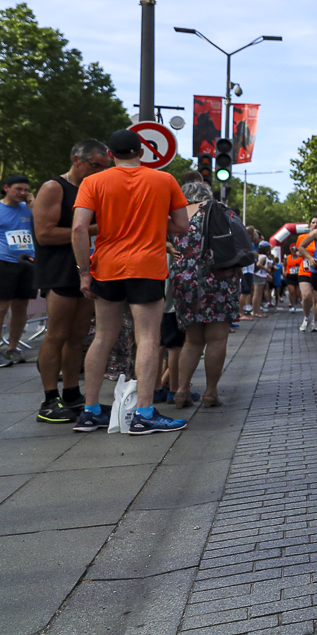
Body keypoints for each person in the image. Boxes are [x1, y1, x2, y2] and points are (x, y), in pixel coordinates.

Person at [71, 129, 191, 434]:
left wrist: (84, 271)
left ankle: (90, 410)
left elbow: (79, 228)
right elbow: (181, 226)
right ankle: (144, 413)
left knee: (102, 338)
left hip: (107, 267)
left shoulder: (93, 182)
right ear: (142, 151)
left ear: (110, 155)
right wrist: (152, 218)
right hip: (146, 267)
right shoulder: (164, 180)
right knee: (148, 338)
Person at [169, 182, 239, 407]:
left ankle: (181, 390)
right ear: (206, 195)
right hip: (217, 277)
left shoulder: (175, 215)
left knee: (192, 340)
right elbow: (238, 242)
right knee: (217, 338)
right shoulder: (218, 208)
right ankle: (210, 391)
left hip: (184, 279)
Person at [0, 174, 37, 368]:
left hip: (26, 262)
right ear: (7, 188)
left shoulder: (28, 209)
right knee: (0, 307)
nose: (23, 193)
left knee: (21, 307)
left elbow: (42, 226)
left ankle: (12, 348)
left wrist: (33, 206)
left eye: (26, 189)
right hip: (2, 261)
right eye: (18, 189)